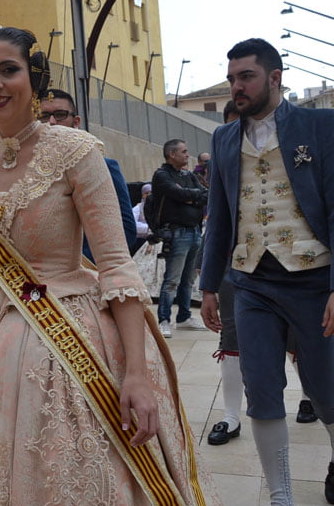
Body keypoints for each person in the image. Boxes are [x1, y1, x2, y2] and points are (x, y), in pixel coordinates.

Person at [0, 27, 246, 506]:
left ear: (34, 78)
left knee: (66, 490)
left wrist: (135, 373)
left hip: (61, 342)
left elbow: (116, 267)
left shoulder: (76, 152)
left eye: (7, 70)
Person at [200, 37, 334, 506]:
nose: (237, 87)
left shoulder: (320, 127)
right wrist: (209, 283)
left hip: (313, 276)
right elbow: (221, 215)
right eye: (233, 78)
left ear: (274, 78)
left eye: (246, 77)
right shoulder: (223, 138)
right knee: (261, 388)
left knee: (326, 390)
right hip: (251, 280)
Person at [205, 100, 316, 448]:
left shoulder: (300, 139)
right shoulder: (225, 147)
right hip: (238, 269)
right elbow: (218, 216)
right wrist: (207, 281)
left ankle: (311, 397)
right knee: (234, 342)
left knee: (302, 346)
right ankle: (231, 416)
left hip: (298, 267)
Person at [38, 88, 137, 255]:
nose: (52, 122)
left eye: (60, 114)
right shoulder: (24, 169)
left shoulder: (103, 166)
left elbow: (124, 229)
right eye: (44, 116)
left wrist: (82, 266)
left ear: (76, 122)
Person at [152, 138, 209, 338]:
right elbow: (176, 192)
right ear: (172, 154)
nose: (187, 154)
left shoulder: (188, 175)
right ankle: (163, 319)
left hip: (194, 231)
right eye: (183, 151)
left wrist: (188, 197)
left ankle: (184, 317)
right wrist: (191, 197)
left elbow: (204, 195)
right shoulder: (161, 175)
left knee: (188, 279)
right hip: (177, 233)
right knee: (172, 279)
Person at [132, 182, 153, 254]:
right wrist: (149, 229)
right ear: (143, 195)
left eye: (151, 192)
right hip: (142, 240)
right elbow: (133, 224)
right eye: (147, 193)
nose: (149, 195)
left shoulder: (159, 208)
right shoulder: (137, 208)